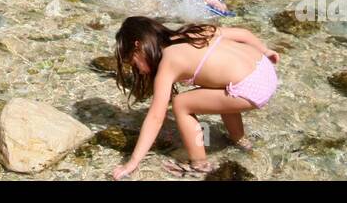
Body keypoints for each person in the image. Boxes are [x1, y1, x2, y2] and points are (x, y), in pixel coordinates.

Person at [110, 17, 279, 179]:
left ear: (138, 46)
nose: (138, 71)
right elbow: (243, 34)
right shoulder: (191, 34)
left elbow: (155, 117)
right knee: (216, 90)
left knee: (181, 103)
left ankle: (199, 164)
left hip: (252, 88)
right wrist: (266, 50)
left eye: (133, 63)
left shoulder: (168, 63)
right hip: (264, 67)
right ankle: (241, 141)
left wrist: (132, 162)